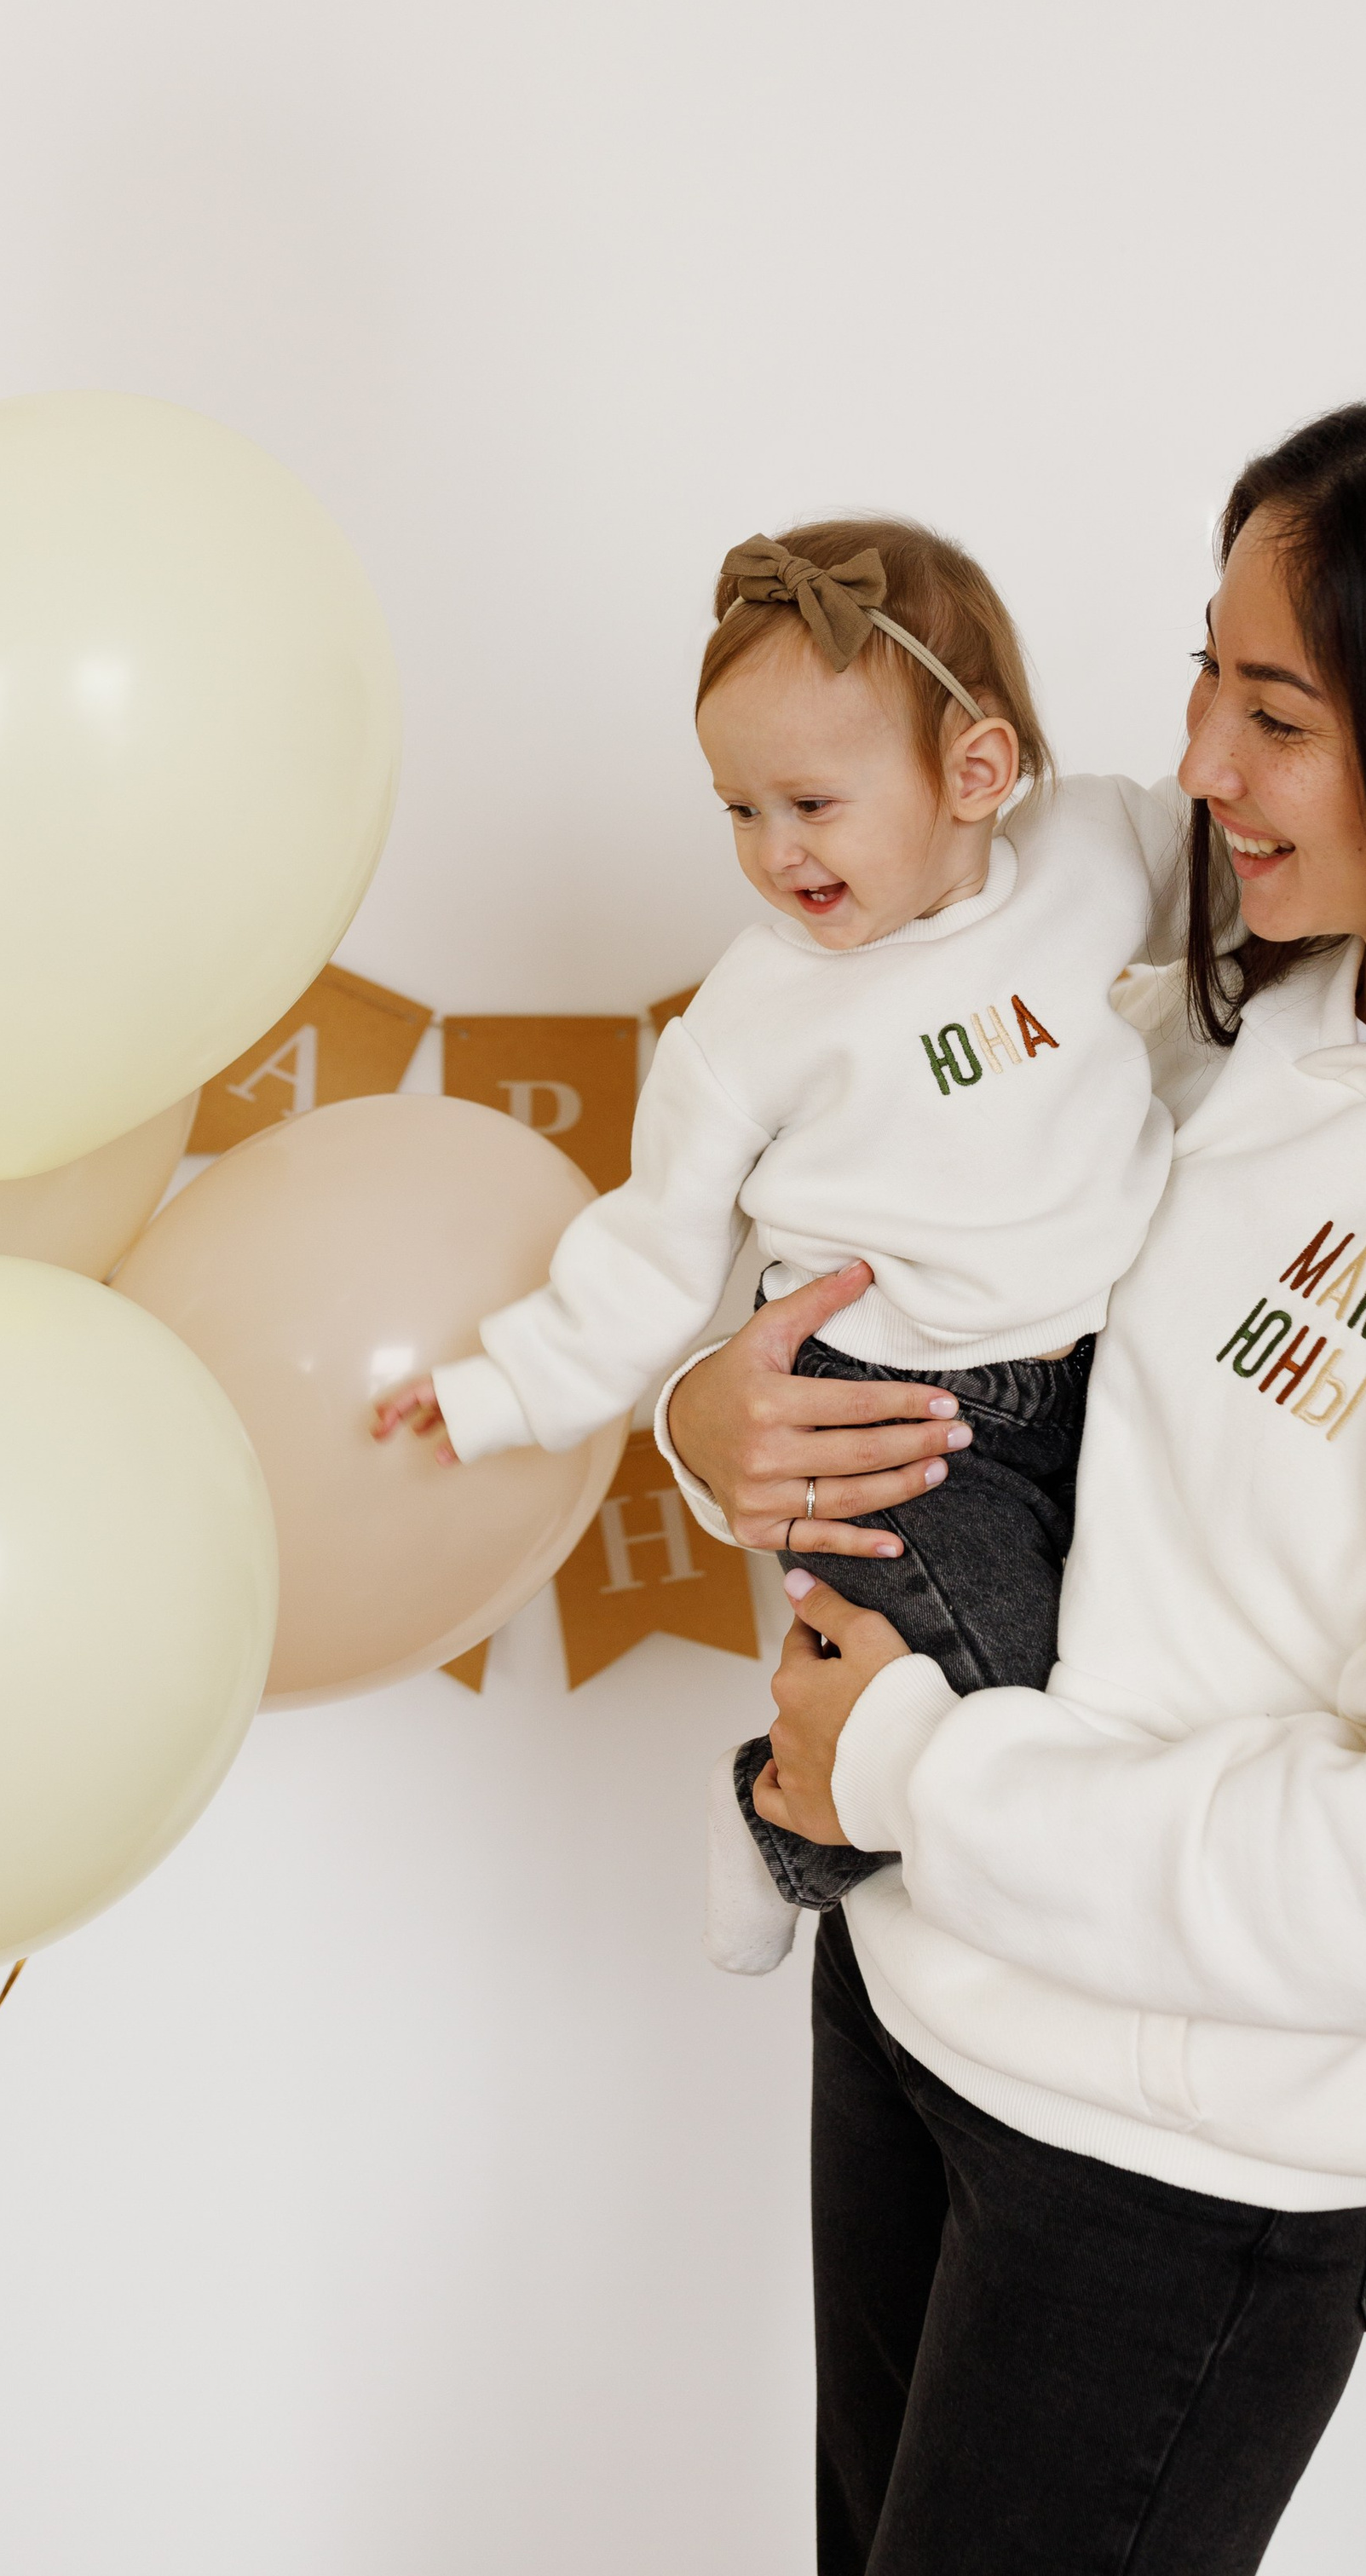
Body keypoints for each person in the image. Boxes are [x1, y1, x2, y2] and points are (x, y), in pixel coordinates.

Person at [660, 387, 1366, 2576]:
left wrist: (911, 1771)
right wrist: (716, 1413)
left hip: (1170, 2177)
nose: (1187, 761)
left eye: (1272, 710)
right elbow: (910, 1255)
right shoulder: (1222, 1020)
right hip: (911, 1991)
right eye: (1201, 674)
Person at [372, 518, 1190, 1963]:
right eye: (738, 810)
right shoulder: (752, 1016)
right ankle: (777, 1819)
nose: (773, 851)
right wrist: (506, 1387)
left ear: (978, 773)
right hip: (895, 1406)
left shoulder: (1096, 851)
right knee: (989, 1687)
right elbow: (652, 1243)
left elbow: (1247, 878)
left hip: (1087, 1382)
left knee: (1093, 1682)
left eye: (810, 801)